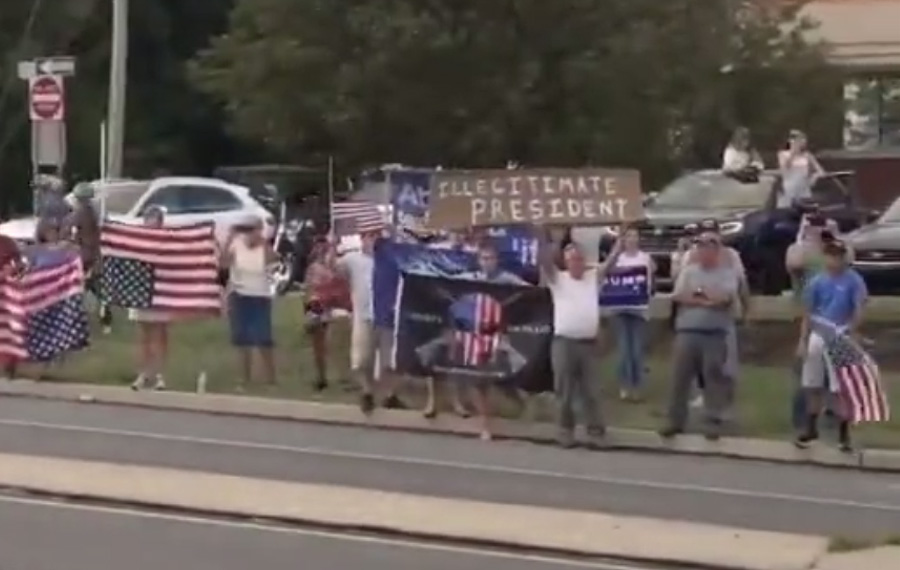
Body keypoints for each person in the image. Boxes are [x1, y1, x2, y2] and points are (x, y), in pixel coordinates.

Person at [539, 230, 619, 448]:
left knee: (592, 391)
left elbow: (612, 260)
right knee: (564, 390)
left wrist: (624, 231)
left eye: (580, 259)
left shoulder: (593, 278)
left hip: (588, 344)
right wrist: (539, 233)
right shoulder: (558, 280)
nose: (577, 262)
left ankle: (596, 433)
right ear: (566, 262)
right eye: (572, 259)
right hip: (564, 343)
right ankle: (565, 431)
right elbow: (544, 260)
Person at [444, 241, 530, 440]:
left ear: (497, 260)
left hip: (497, 335)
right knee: (475, 379)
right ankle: (482, 422)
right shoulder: (470, 279)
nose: (487, 262)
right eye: (483, 258)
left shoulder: (507, 279)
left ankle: (522, 405)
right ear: (478, 260)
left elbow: (529, 291)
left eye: (490, 258)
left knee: (503, 376)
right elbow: (447, 283)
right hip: (474, 338)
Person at [660, 231, 739, 441]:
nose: (704, 251)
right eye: (701, 246)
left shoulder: (727, 273)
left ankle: (712, 420)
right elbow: (678, 295)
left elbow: (724, 298)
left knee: (714, 376)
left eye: (709, 246)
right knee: (679, 378)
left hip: (714, 333)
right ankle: (674, 421)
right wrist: (706, 298)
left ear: (717, 250)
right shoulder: (688, 271)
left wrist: (699, 296)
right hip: (687, 331)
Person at [795, 239, 866, 452]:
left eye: (837, 255)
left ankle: (844, 434)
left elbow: (859, 308)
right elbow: (808, 312)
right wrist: (802, 339)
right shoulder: (817, 281)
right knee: (813, 384)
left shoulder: (853, 280)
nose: (834, 260)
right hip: (819, 334)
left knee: (841, 388)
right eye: (830, 255)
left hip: (840, 333)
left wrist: (852, 330)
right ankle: (811, 428)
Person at [673, 220, 749, 411]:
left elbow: (737, 287)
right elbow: (680, 289)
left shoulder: (731, 256)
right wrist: (704, 296)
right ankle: (702, 397)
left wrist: (745, 308)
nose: (706, 243)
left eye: (712, 236)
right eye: (703, 237)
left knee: (725, 363)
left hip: (724, 319)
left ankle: (724, 403)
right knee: (692, 366)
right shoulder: (690, 256)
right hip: (693, 320)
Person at [334, 228, 407, 413]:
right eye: (369, 236)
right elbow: (334, 269)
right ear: (362, 239)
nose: (373, 240)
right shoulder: (353, 260)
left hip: (386, 316)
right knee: (361, 360)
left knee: (388, 361)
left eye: (376, 236)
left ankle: (390, 395)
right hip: (363, 316)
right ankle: (366, 392)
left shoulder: (390, 260)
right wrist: (330, 248)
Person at [221, 214, 278, 388]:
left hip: (260, 296)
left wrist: (263, 242)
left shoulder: (264, 247)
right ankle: (244, 379)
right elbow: (223, 264)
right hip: (239, 295)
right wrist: (230, 237)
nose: (251, 233)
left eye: (255, 229)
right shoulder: (236, 245)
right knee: (242, 339)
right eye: (248, 229)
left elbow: (274, 261)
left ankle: (271, 379)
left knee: (263, 338)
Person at [606, 225, 654, 402]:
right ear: (623, 240)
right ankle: (625, 385)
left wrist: (646, 300)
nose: (632, 239)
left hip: (638, 308)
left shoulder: (645, 258)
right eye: (628, 236)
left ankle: (637, 385)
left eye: (635, 236)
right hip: (619, 308)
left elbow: (648, 283)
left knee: (636, 349)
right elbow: (610, 280)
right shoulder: (618, 259)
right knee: (624, 348)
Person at [130, 206, 172, 391]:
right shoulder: (137, 241)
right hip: (141, 291)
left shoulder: (167, 242)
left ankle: (159, 375)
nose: (151, 224)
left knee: (160, 335)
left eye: (155, 220)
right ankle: (143, 374)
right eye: (148, 220)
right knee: (143, 336)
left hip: (161, 291)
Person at [65, 182, 112, 333]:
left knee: (77, 290)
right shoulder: (95, 212)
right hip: (94, 255)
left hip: (83, 257)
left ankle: (76, 323)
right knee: (99, 291)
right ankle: (105, 322)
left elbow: (70, 233)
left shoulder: (79, 214)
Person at [303, 238, 344, 391]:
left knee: (328, 344)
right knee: (319, 345)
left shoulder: (332, 268)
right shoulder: (315, 268)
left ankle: (330, 376)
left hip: (327, 306)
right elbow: (308, 290)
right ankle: (322, 377)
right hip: (317, 307)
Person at [777, 129, 825, 207]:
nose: (802, 143)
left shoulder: (807, 155)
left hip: (804, 187)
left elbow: (821, 171)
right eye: (798, 140)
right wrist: (793, 153)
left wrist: (814, 177)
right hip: (790, 187)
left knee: (805, 209)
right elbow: (785, 168)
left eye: (803, 140)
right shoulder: (782, 154)